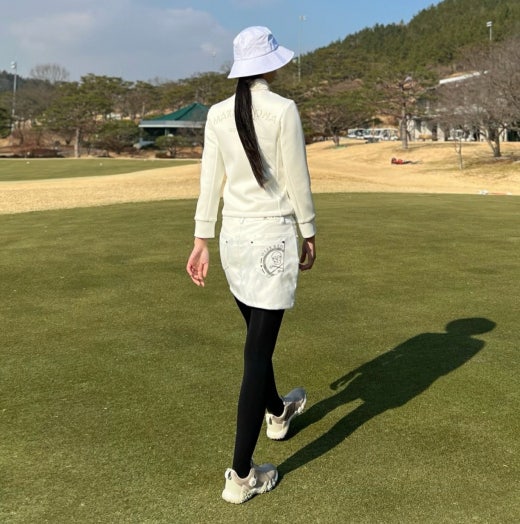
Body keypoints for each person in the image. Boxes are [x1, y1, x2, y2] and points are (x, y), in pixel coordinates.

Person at [186, 26, 316, 504]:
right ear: (271, 64)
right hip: (271, 238)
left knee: (258, 341)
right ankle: (241, 476)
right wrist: (309, 230)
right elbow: (297, 177)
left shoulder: (218, 112)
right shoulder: (283, 109)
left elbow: (209, 180)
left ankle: (278, 411)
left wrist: (201, 238)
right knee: (256, 354)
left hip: (233, 241)